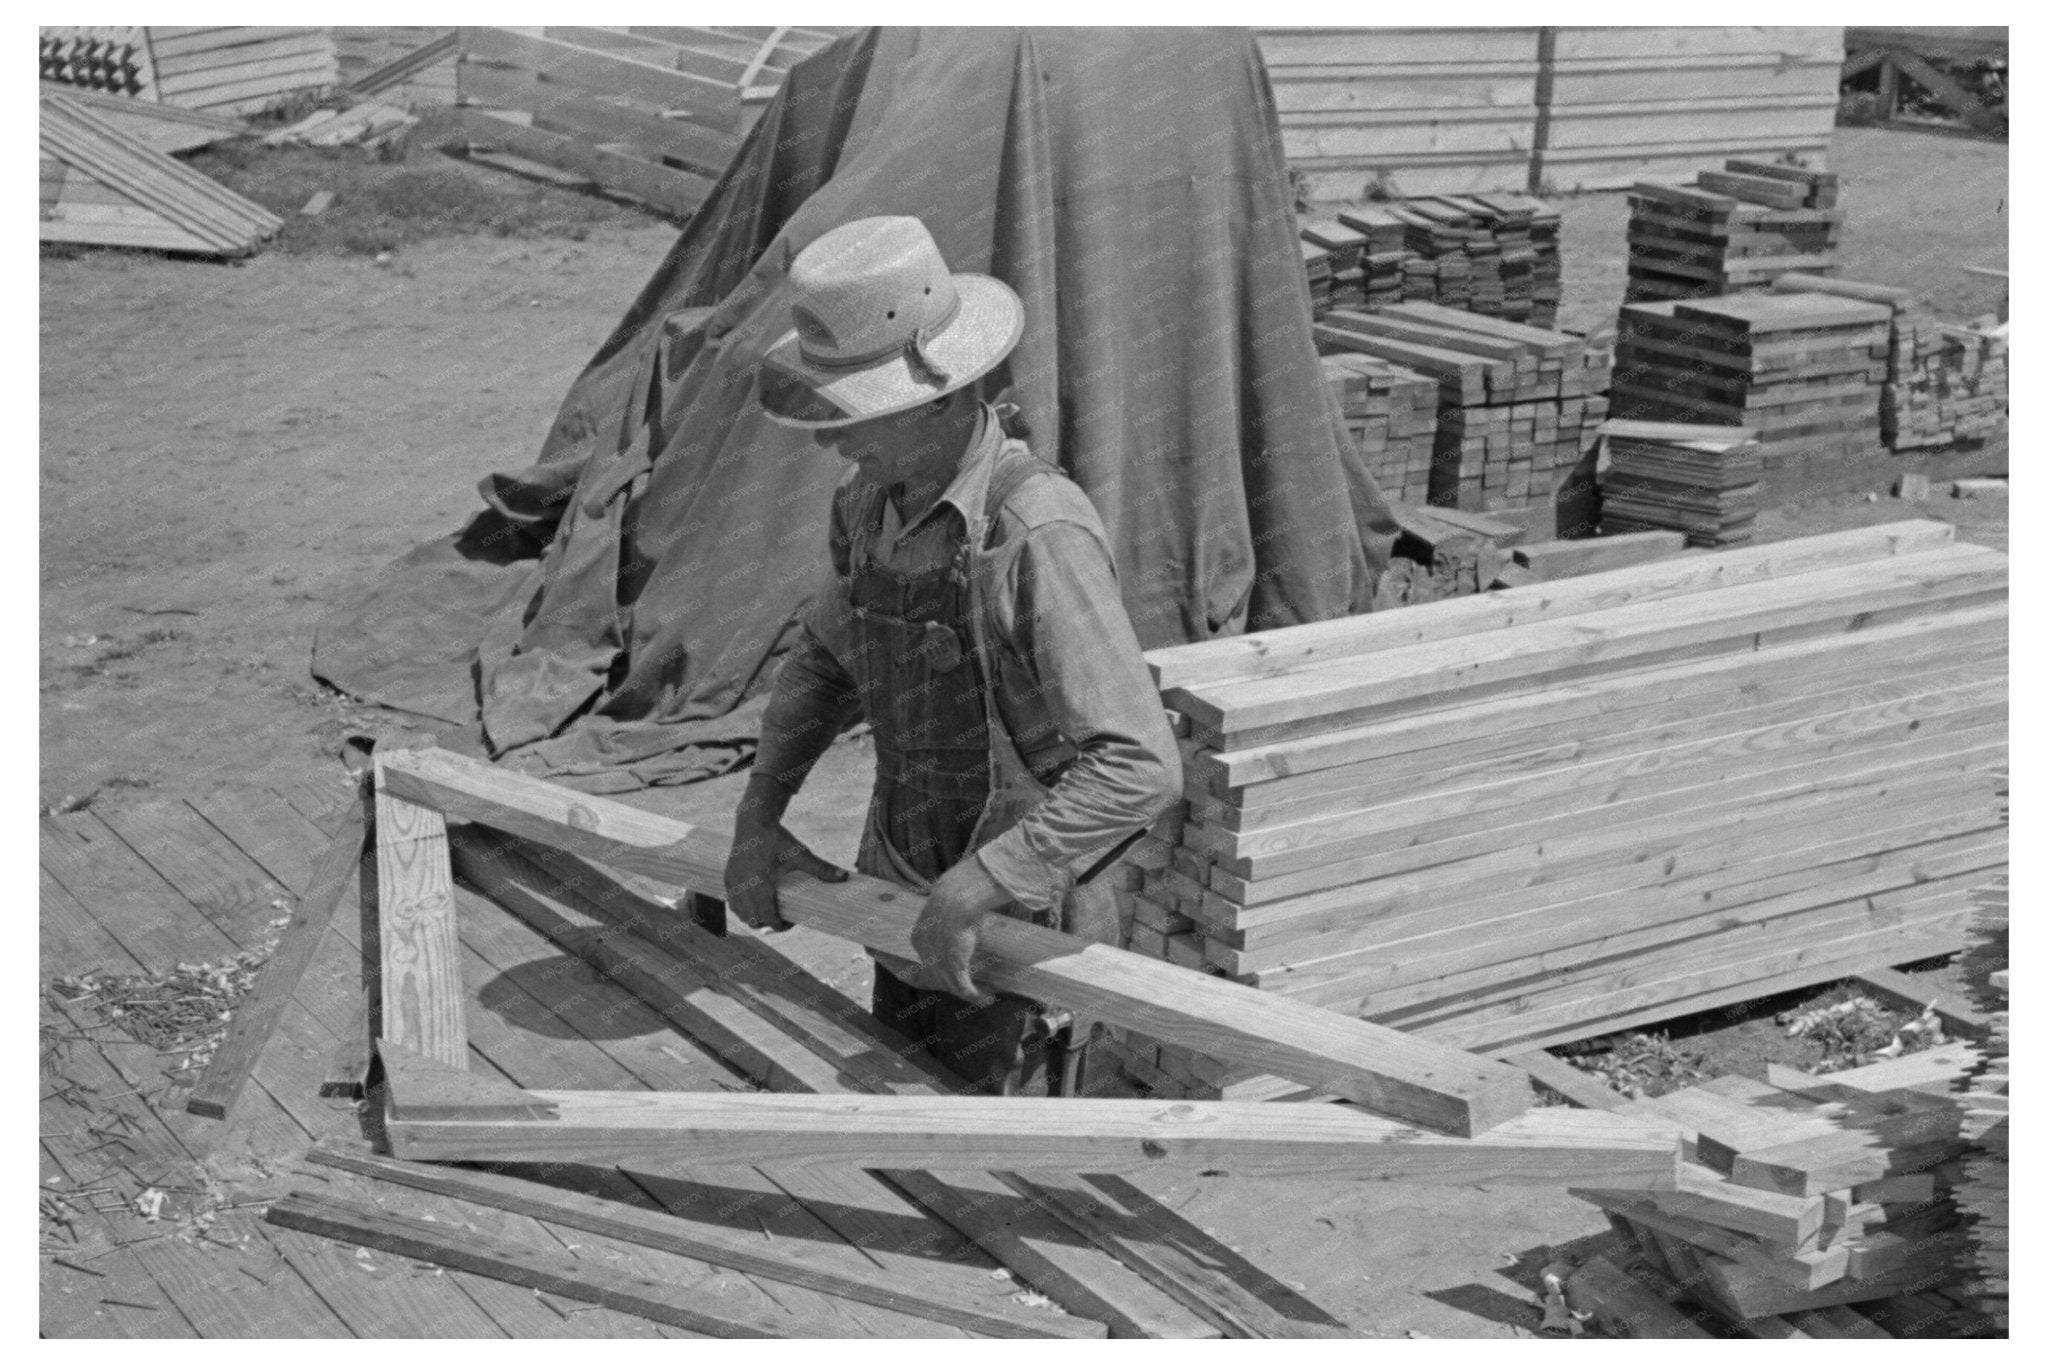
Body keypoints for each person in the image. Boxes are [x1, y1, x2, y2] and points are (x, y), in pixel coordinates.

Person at [725, 215, 1182, 1096]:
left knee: (1004, 1187)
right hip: (901, 895)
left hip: (1017, 926)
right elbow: (826, 663)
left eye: (854, 416)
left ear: (937, 397)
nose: (831, 440)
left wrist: (986, 880)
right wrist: (759, 810)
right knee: (907, 1157)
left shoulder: (1032, 530)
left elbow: (1140, 767)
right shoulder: (868, 507)